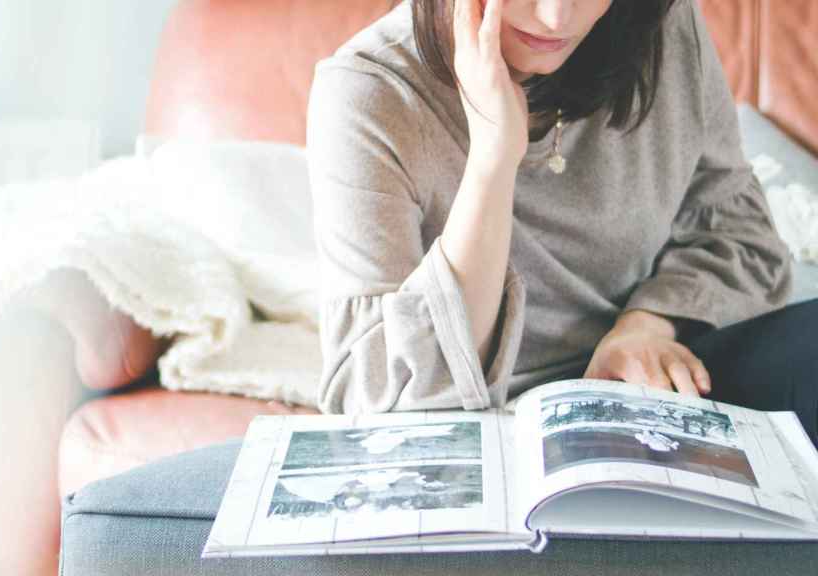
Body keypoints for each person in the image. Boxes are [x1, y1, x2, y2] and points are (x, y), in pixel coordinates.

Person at [306, 0, 817, 445]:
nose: (555, 18)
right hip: (495, 423)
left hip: (657, 376)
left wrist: (644, 327)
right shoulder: (368, 92)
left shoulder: (658, 23)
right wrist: (493, 158)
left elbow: (741, 232)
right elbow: (374, 399)